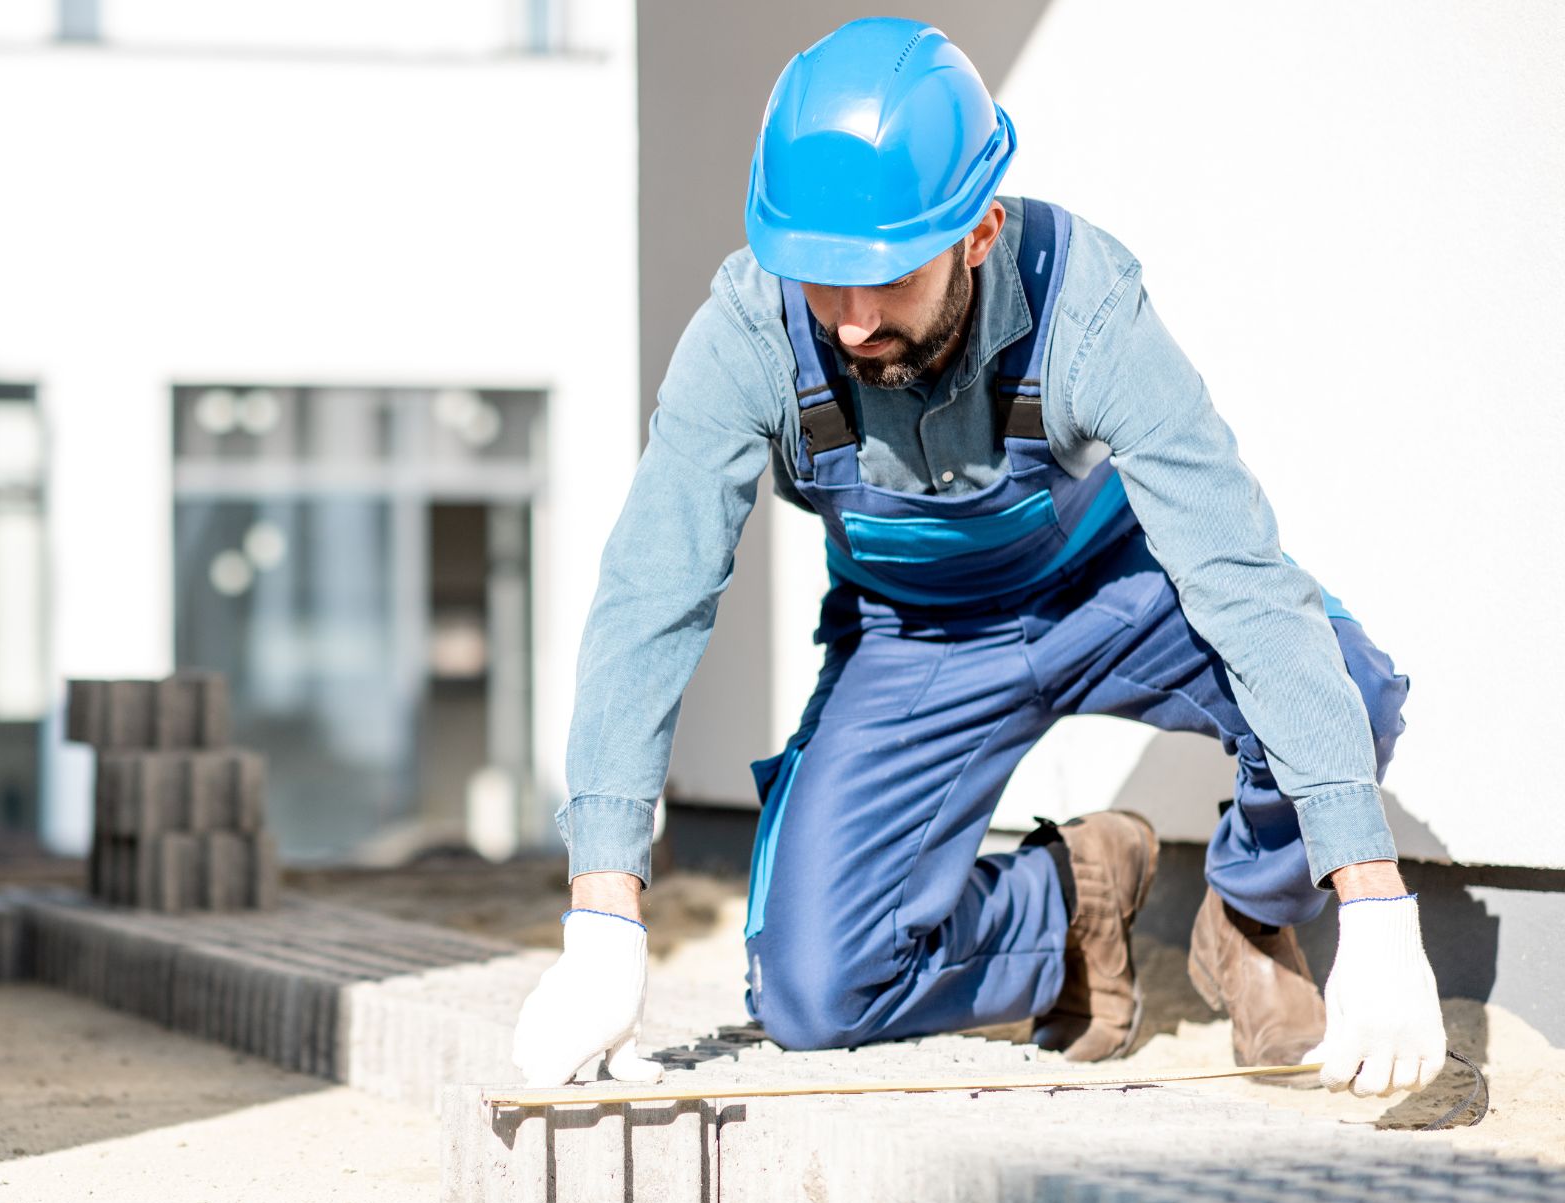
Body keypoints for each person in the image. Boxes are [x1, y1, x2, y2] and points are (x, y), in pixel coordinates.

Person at [510, 17, 1446, 1097]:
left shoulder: (1085, 303)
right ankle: (1071, 901)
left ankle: (1246, 916)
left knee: (1350, 687)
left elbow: (1237, 576)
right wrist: (601, 912)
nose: (852, 324)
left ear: (979, 232)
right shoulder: (747, 337)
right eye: (821, 279)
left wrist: (1370, 901)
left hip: (1117, 595)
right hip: (918, 635)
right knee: (812, 996)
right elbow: (650, 597)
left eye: (887, 278)